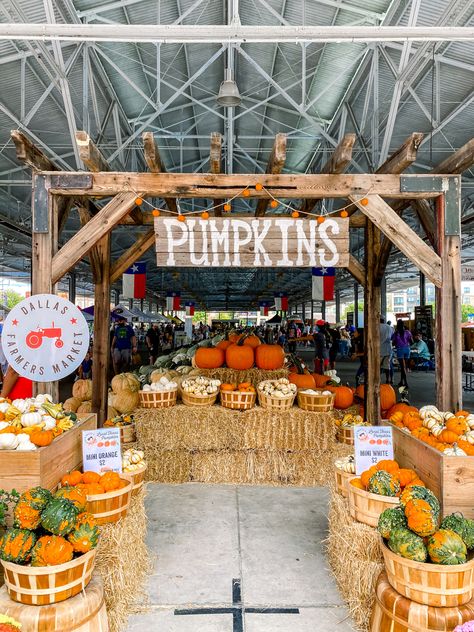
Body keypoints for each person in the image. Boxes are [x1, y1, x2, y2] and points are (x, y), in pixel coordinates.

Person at [392, 319, 413, 387]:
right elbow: (411, 341)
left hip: (400, 349)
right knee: (404, 367)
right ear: (403, 325)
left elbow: (393, 343)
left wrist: (397, 342)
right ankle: (401, 381)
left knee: (402, 367)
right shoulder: (407, 332)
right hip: (407, 349)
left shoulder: (396, 333)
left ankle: (406, 383)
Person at [380, 318, 393, 384]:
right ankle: (388, 379)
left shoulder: (377, 326)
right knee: (387, 366)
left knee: (377, 366)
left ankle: (377, 379)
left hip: (379, 349)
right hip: (388, 349)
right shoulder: (390, 327)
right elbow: (392, 337)